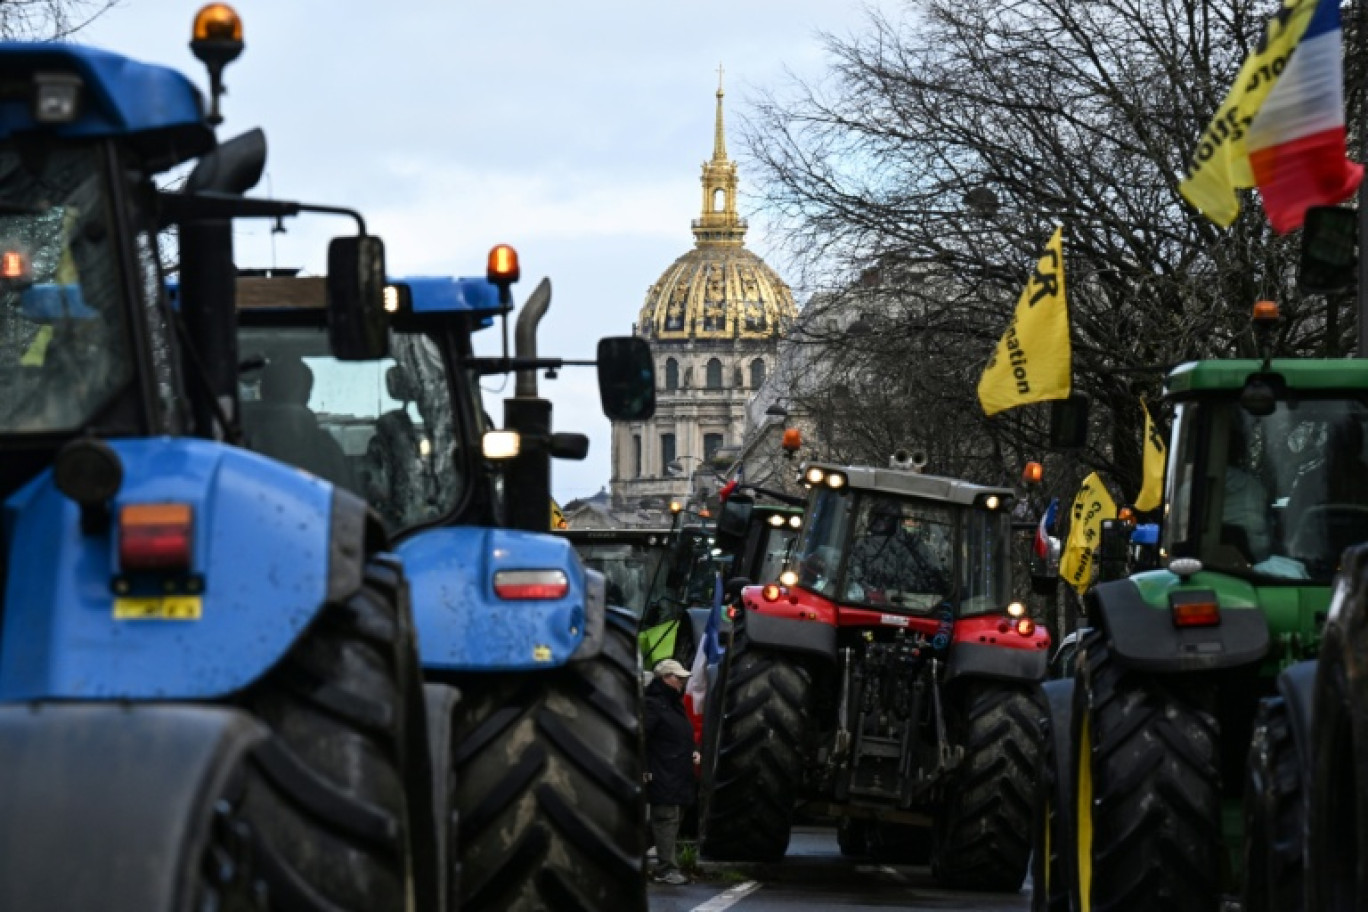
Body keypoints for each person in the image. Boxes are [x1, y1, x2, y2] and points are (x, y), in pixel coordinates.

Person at [644, 657, 699, 886]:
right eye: (679, 677)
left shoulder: (672, 705)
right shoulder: (653, 704)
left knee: (670, 819)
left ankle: (631, 857)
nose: (683, 682)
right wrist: (644, 769)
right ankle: (666, 869)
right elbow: (641, 739)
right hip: (662, 772)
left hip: (676, 773)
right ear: (666, 678)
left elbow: (679, 734)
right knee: (666, 819)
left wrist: (693, 750)